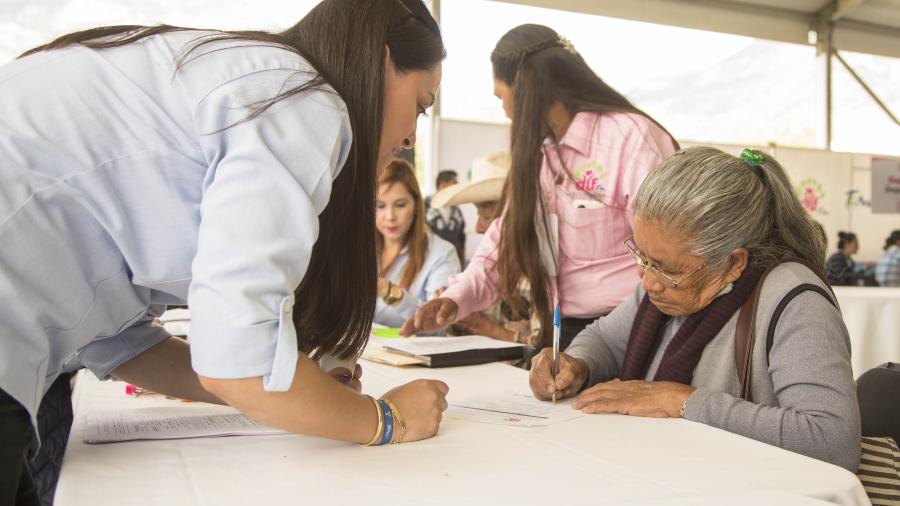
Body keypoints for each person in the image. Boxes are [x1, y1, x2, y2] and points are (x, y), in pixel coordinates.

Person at [0, 1, 450, 503]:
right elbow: (238, 365)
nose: (411, 137)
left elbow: (123, 344)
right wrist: (387, 420)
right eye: (422, 104)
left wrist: (300, 385)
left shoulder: (234, 76)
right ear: (385, 61)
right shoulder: (301, 101)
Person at [529, 147, 861, 472]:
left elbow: (831, 440)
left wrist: (681, 401)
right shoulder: (665, 283)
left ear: (733, 264)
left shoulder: (795, 300)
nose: (648, 281)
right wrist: (576, 365)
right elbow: (604, 339)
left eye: (667, 269)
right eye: (642, 257)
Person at [402, 24, 678, 350]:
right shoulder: (538, 156)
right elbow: (500, 249)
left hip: (633, 328)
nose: (506, 112)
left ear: (526, 87)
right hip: (562, 328)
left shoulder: (630, 139)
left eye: (503, 98)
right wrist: (454, 299)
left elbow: (670, 253)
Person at [432, 152, 541, 349]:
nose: (478, 228)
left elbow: (545, 351)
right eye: (478, 212)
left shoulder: (543, 271)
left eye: (487, 211)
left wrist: (479, 324)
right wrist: (450, 308)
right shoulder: (484, 269)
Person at [376, 159, 460, 328]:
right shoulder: (358, 251)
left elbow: (438, 326)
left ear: (416, 205)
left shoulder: (441, 253)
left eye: (400, 205)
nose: (390, 216)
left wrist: (390, 292)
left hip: (409, 352)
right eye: (380, 206)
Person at [425, 170, 466, 263]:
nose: (458, 187)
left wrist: (462, 261)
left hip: (453, 261)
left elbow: (461, 237)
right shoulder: (424, 208)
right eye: (455, 184)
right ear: (442, 185)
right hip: (429, 262)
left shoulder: (456, 211)